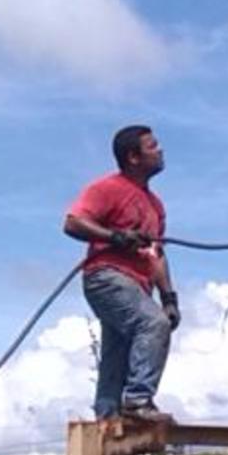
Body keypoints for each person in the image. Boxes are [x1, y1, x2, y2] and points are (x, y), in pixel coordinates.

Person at [63, 123, 179, 425]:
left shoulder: (155, 205)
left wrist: (169, 297)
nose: (161, 150)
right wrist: (115, 236)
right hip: (106, 277)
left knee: (119, 351)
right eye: (152, 146)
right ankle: (138, 400)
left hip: (138, 285)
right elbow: (73, 223)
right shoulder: (108, 188)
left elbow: (156, 254)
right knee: (153, 324)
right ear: (133, 157)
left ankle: (108, 420)